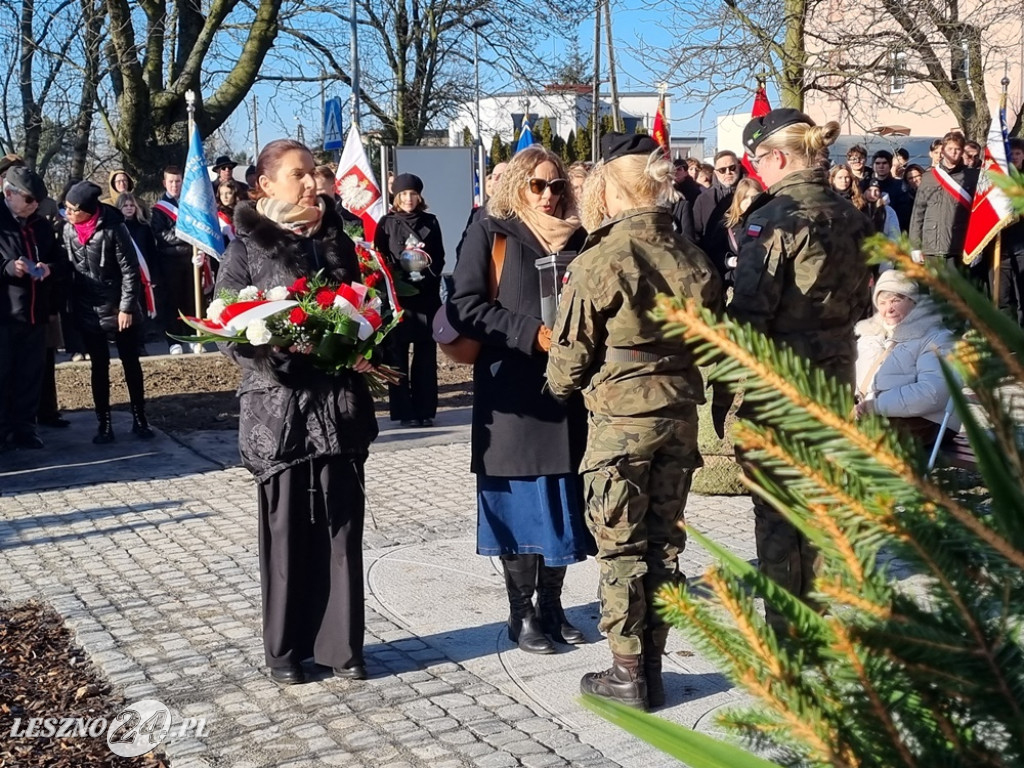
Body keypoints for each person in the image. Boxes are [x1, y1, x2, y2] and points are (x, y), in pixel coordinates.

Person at [546, 133, 723, 710]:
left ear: (611, 189)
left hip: (622, 423)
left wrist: (558, 385)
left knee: (621, 549)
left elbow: (569, 363)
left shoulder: (602, 260)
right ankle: (652, 665)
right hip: (679, 417)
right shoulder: (693, 257)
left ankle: (627, 675)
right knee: (664, 546)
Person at [216, 138, 378, 685]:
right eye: (298, 174)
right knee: (286, 533)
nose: (312, 183)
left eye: (314, 173)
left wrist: (356, 336)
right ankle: (285, 650)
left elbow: (363, 310)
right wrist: (276, 344)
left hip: (338, 407)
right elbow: (227, 328)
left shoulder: (339, 243)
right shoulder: (245, 248)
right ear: (264, 185)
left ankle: (342, 646)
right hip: (278, 412)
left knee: (340, 528)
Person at [731, 108, 873, 632]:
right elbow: (866, 301)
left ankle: (786, 633)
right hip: (835, 375)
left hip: (780, 383)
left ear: (778, 157)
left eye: (756, 160)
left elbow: (750, 313)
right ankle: (819, 621)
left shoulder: (776, 218)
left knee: (777, 508)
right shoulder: (852, 213)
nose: (755, 171)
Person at [449, 145, 592, 655]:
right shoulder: (492, 229)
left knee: (561, 505)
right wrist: (530, 334)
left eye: (557, 186)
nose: (549, 196)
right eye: (538, 185)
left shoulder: (581, 234)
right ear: (517, 187)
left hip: (567, 392)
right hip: (512, 390)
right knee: (520, 507)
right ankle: (520, 613)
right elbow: (464, 306)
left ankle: (553, 607)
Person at [62, 181, 153, 443]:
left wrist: (125, 308)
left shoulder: (114, 228)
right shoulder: (68, 230)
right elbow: (71, 270)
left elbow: (130, 271)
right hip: (88, 309)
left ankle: (140, 419)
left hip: (118, 307)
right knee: (98, 367)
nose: (67, 213)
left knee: (130, 363)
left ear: (88, 210)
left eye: (72, 209)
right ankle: (104, 424)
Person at [854, 271, 959, 452]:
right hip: (880, 414)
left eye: (896, 300)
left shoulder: (935, 337)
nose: (889, 308)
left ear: (913, 301)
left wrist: (877, 404)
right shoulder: (871, 337)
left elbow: (933, 393)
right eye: (882, 302)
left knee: (861, 438)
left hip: (929, 421)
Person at [374, 173, 445, 427]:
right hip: (399, 299)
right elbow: (379, 259)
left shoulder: (431, 221)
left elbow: (440, 256)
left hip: (425, 297)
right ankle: (404, 411)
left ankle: (426, 409)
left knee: (426, 356)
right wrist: (397, 273)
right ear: (396, 196)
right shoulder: (386, 223)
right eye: (403, 194)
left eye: (413, 194)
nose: (408, 199)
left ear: (420, 196)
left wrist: (425, 267)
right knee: (397, 356)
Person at [0, 167, 60, 449]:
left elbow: (60, 260)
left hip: (35, 314)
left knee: (29, 374)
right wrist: (9, 267)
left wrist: (49, 268)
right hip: (4, 314)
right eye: (29, 199)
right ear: (8, 193)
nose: (35, 204)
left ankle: (25, 427)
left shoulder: (41, 225)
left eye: (38, 199)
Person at [909, 132, 979, 272]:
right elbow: (918, 214)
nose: (953, 152)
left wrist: (977, 247)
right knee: (934, 293)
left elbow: (978, 215)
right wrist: (915, 246)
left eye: (957, 149)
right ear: (943, 151)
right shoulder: (929, 177)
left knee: (958, 293)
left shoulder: (973, 177)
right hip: (932, 248)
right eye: (950, 149)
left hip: (960, 247)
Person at [150, 165, 193, 354]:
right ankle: (174, 339)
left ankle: (192, 334)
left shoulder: (190, 205)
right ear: (164, 183)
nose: (175, 185)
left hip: (190, 259)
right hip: (169, 261)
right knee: (171, 302)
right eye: (171, 181)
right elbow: (161, 235)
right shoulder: (159, 209)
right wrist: (183, 234)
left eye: (178, 181)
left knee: (190, 299)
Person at [116, 192, 161, 343]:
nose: (129, 209)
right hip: (123, 276)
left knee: (142, 307)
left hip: (143, 274)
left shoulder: (144, 228)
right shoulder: (116, 228)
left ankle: (143, 337)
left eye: (131, 206)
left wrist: (154, 275)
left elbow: (152, 253)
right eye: (125, 206)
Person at [692, 150, 744, 280]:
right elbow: (696, 234)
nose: (728, 173)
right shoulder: (704, 200)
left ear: (738, 166)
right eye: (722, 170)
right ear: (715, 172)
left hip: (746, 266)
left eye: (732, 168)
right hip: (715, 268)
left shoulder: (751, 193)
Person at [870, 150, 912, 230]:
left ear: (890, 165)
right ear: (873, 166)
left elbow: (904, 215)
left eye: (884, 163)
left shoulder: (900, 185)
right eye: (878, 163)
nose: (881, 166)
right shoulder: (867, 185)